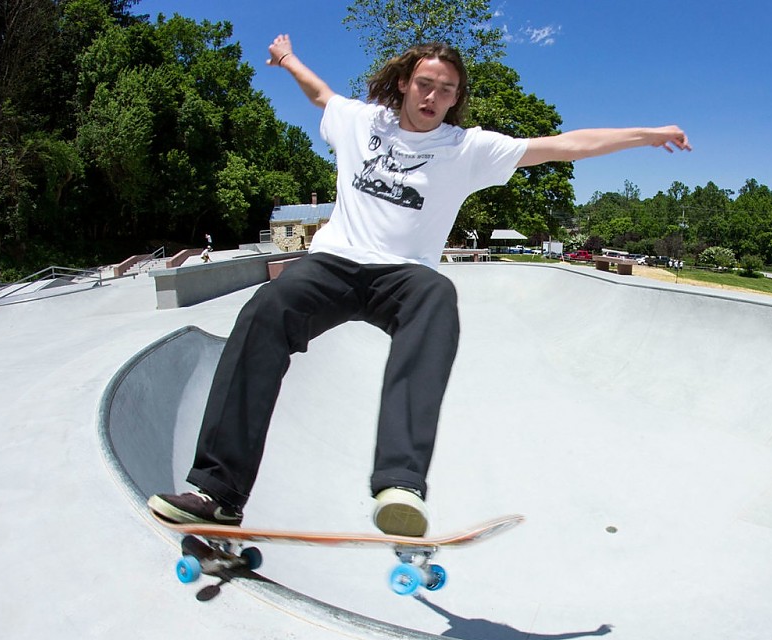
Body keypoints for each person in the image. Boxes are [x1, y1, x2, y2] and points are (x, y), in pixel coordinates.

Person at [148, 34, 691, 537]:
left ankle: (399, 482)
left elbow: (567, 145)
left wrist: (649, 135)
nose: (433, 97)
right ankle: (218, 491)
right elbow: (320, 95)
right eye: (425, 84)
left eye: (446, 90)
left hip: (402, 276)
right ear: (406, 83)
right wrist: (287, 58)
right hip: (332, 264)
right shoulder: (361, 121)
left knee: (437, 295)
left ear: (456, 99)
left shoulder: (469, 148)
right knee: (265, 309)